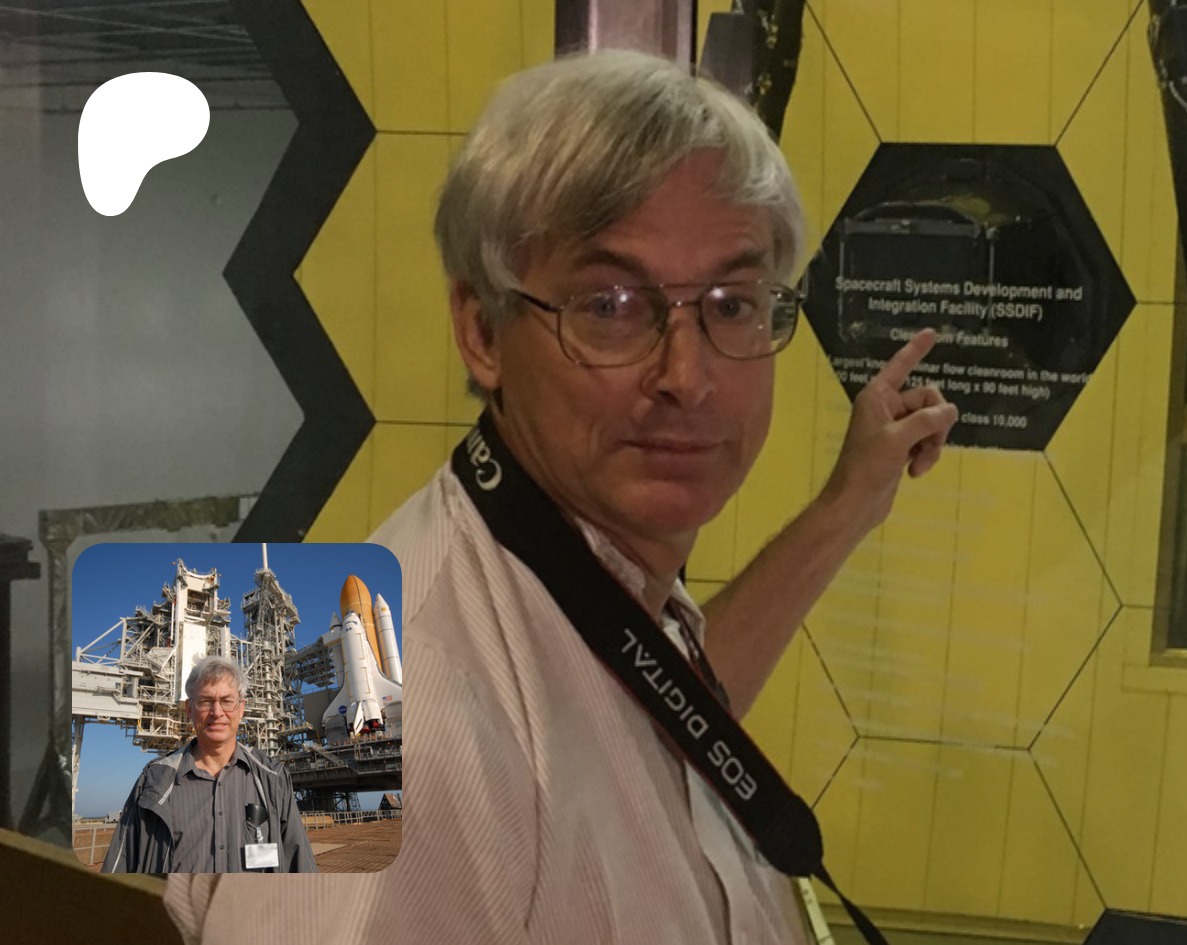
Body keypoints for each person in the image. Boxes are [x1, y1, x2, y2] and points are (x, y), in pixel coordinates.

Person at [164, 50, 956, 943]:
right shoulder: (396, 724)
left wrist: (849, 502)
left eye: (731, 303)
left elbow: (636, 722)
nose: (688, 376)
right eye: (610, 304)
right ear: (483, 330)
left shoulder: (576, 571)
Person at [103, 656, 316, 873]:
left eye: (227, 701)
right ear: (189, 709)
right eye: (205, 701)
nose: (217, 712)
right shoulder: (154, 781)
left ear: (241, 708)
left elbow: (301, 868)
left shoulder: (272, 779)